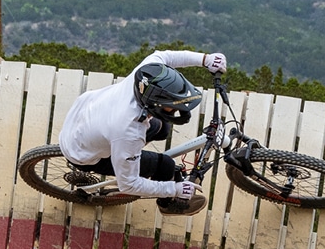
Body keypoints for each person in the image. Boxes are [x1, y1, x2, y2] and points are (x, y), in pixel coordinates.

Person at [58, 48, 227, 216]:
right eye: (172, 104)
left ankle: (130, 159)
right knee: (165, 165)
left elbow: (166, 56)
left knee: (162, 127)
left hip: (84, 115)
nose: (176, 107)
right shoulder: (128, 131)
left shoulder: (145, 76)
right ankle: (167, 205)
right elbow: (128, 185)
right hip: (82, 153)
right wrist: (174, 189)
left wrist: (205, 59)